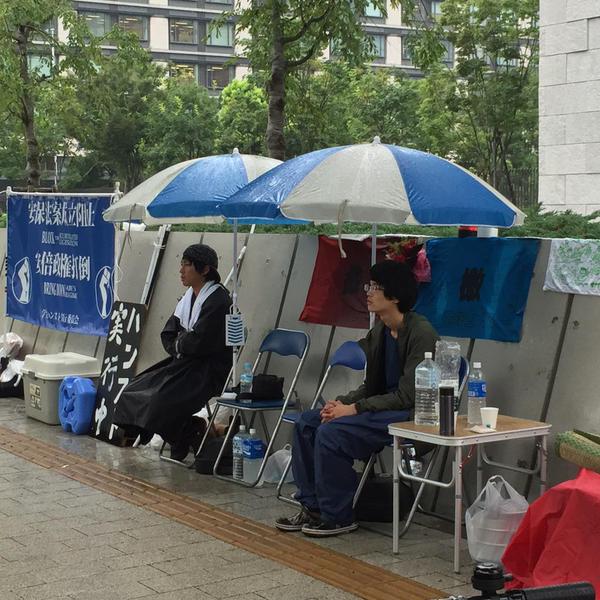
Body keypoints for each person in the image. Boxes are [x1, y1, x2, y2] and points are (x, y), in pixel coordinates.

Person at [275, 260, 439, 537]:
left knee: (331, 433)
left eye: (376, 287)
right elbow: (371, 385)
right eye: (369, 286)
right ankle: (312, 507)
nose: (369, 292)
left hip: (411, 414)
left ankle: (337, 516)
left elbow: (406, 396)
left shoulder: (422, 333)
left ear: (395, 295)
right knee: (307, 422)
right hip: (380, 408)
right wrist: (340, 403)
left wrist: (354, 408)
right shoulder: (380, 331)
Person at [114, 243, 232, 461]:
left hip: (209, 369)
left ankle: (187, 433)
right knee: (134, 390)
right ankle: (189, 431)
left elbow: (200, 342)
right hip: (184, 362)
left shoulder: (219, 300)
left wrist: (181, 344)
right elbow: (169, 334)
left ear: (205, 269)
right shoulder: (187, 298)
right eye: (181, 264)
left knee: (158, 400)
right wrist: (180, 346)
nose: (181, 270)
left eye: (187, 265)